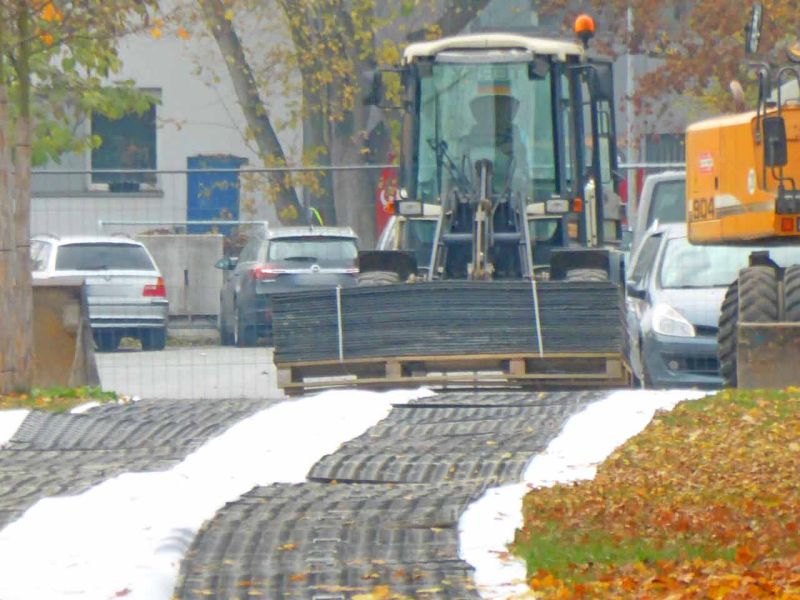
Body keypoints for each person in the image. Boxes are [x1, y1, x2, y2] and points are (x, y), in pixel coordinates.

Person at [462, 93, 529, 195]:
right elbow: (462, 173)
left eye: (502, 111)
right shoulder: (468, 144)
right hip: (469, 199)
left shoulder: (517, 143)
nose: (497, 115)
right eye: (490, 111)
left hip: (512, 201)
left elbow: (523, 175)